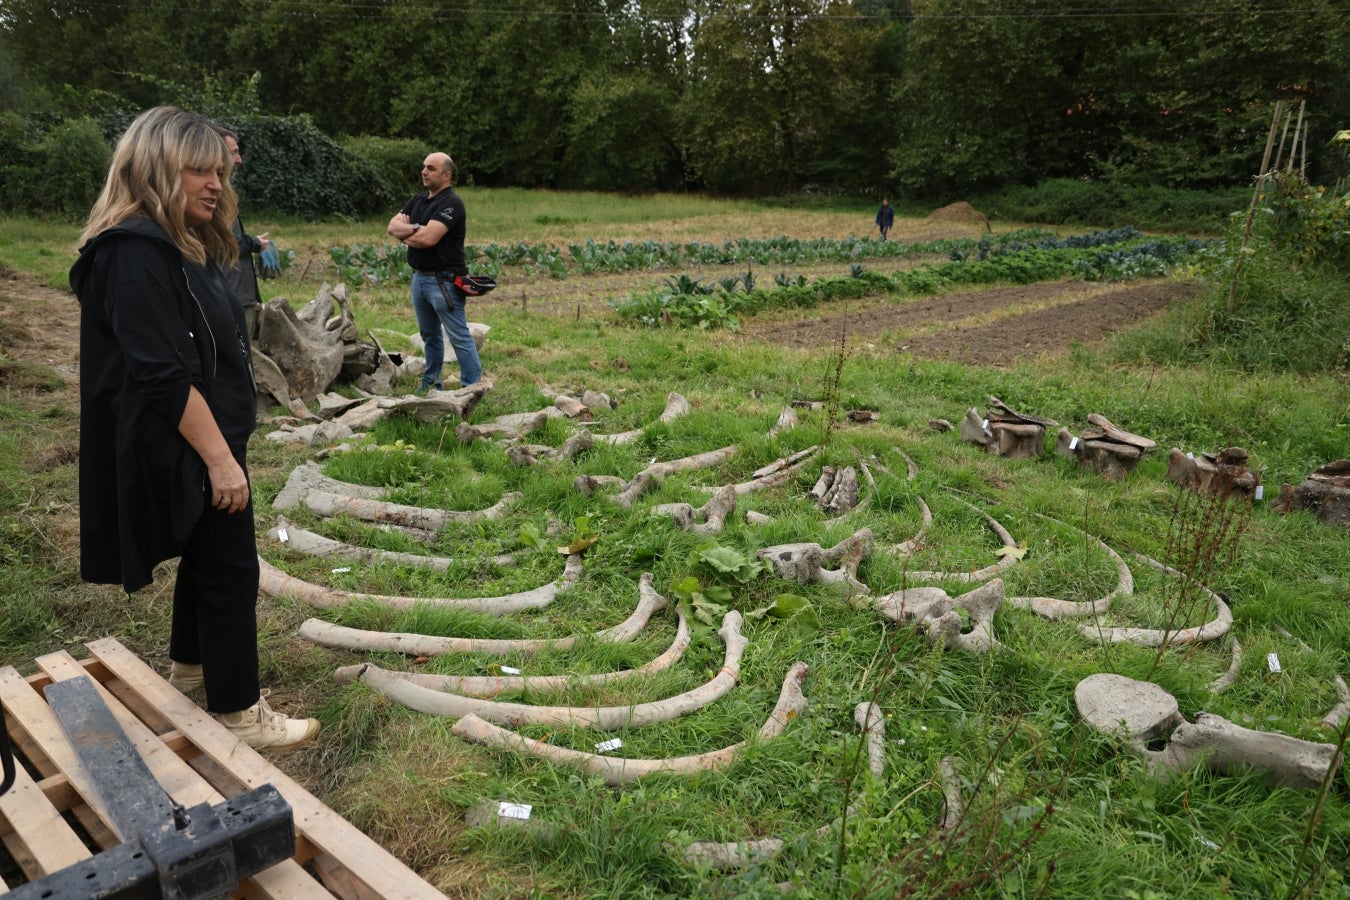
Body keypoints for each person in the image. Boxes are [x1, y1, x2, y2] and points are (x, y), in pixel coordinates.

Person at [69, 106, 319, 751]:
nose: (216, 184)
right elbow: (161, 373)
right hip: (186, 439)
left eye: (220, 171)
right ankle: (239, 711)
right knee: (232, 568)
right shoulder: (132, 251)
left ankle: (190, 671)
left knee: (208, 556)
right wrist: (219, 460)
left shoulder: (177, 242)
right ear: (154, 168)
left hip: (204, 435)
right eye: (199, 171)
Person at [387, 152, 482, 391]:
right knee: (429, 335)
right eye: (424, 167)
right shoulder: (418, 200)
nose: (424, 172)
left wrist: (406, 234)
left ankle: (471, 388)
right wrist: (416, 229)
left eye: (431, 168)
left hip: (444, 282)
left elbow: (429, 238)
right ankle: (431, 384)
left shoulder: (451, 203)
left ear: (446, 175)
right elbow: (392, 226)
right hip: (419, 279)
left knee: (459, 337)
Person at [214, 126, 269, 341]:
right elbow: (220, 245)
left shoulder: (224, 194)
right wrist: (254, 243)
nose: (239, 160)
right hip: (230, 297)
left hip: (238, 295)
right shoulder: (213, 196)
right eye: (233, 152)